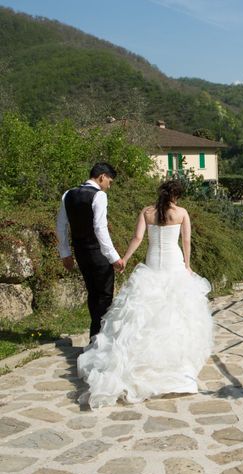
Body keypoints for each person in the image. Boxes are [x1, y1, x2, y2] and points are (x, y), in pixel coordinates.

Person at [76, 180, 214, 409]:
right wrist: (188, 266)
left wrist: (125, 259)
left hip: (152, 265)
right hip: (173, 263)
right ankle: (173, 362)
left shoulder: (147, 212)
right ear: (176, 196)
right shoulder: (181, 213)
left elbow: (138, 239)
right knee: (177, 311)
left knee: (142, 311)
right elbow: (186, 240)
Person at [56, 163, 125, 340]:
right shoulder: (99, 196)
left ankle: (95, 336)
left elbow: (61, 226)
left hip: (80, 252)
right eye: (109, 181)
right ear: (102, 176)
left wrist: (65, 253)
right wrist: (114, 257)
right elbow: (100, 228)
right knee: (104, 294)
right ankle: (99, 338)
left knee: (93, 293)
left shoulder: (68, 194)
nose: (109, 185)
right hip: (98, 253)